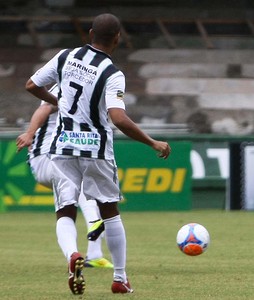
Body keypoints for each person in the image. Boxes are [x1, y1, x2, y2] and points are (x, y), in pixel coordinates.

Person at [25, 13, 171, 295]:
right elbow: (118, 117)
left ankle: (73, 255)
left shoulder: (66, 56)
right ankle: (119, 277)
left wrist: (59, 102)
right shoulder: (112, 73)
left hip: (63, 147)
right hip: (96, 149)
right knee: (110, 212)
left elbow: (31, 85)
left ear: (90, 33)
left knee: (65, 210)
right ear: (117, 38)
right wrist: (152, 142)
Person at [16, 84, 113, 269]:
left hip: (65, 156)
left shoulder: (91, 88)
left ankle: (91, 254)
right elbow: (44, 108)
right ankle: (94, 222)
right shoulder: (67, 83)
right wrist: (29, 134)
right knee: (86, 182)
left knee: (89, 193)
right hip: (45, 157)